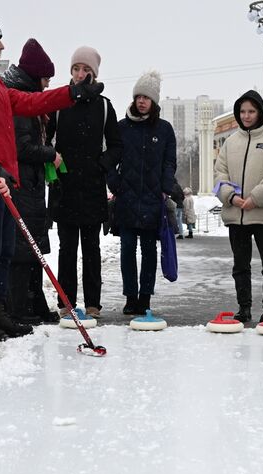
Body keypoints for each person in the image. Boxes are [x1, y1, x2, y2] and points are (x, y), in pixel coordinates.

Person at [0, 12, 102, 340]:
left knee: (5, 250)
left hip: (6, 183)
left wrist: (72, 93)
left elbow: (33, 102)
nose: (2, 45)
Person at [49, 46, 121, 321]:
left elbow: (116, 146)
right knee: (66, 249)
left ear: (93, 74)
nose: (80, 74)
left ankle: (93, 304)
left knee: (91, 249)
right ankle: (66, 302)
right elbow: (46, 139)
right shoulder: (59, 102)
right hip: (64, 188)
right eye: (76, 69)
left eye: (86, 70)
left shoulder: (104, 106)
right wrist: (51, 157)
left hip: (92, 188)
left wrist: (100, 165)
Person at [1, 39, 61, 326]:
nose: (47, 84)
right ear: (36, 75)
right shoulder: (20, 101)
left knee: (34, 248)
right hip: (22, 184)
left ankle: (34, 302)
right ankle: (20, 307)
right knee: (24, 249)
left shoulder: (28, 98)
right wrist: (51, 154)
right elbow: (21, 148)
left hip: (32, 185)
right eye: (46, 78)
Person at [109, 70, 178, 316]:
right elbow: (109, 160)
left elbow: (170, 163)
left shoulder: (165, 129)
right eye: (138, 96)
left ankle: (145, 298)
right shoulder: (120, 128)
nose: (141, 101)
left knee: (149, 251)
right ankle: (130, 297)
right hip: (126, 200)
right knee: (127, 249)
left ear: (154, 101)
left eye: (146, 97)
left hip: (152, 201)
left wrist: (165, 189)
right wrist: (115, 185)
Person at [214, 89, 263, 324]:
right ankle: (244, 308)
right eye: (243, 111)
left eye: (251, 111)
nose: (246, 116)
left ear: (259, 113)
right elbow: (219, 175)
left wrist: (255, 198)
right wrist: (231, 197)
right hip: (237, 215)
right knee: (240, 266)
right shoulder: (230, 142)